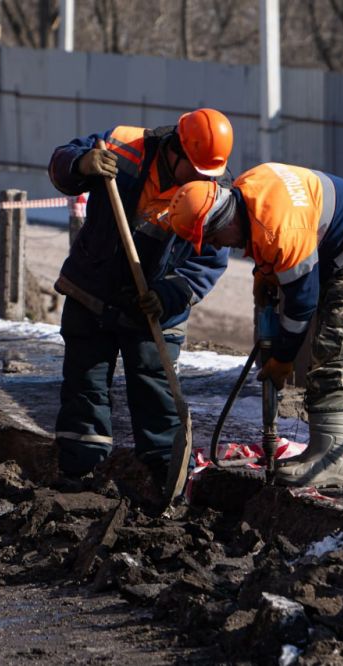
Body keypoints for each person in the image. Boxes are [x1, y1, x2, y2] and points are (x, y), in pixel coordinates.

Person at [165, 162, 343, 488]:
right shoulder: (247, 195)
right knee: (316, 340)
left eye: (215, 238)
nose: (218, 246)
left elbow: (301, 307)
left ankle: (333, 460)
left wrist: (282, 360)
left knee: (335, 348)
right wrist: (265, 273)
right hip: (328, 240)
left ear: (224, 219)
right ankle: (320, 450)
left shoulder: (281, 230)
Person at [48, 108, 234, 485]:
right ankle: (77, 472)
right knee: (84, 386)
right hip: (93, 289)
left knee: (157, 394)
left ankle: (163, 480)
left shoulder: (213, 191)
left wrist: (169, 294)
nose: (201, 178)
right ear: (174, 151)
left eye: (208, 173)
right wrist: (81, 163)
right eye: (195, 169)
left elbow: (209, 262)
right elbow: (60, 166)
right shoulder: (124, 146)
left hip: (154, 306)